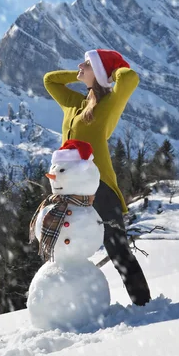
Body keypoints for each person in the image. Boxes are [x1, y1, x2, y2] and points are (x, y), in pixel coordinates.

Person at [43, 48, 151, 306]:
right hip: (68, 188)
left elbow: (130, 77)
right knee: (62, 249)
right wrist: (83, 74)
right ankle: (69, 308)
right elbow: (50, 80)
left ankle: (144, 304)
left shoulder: (109, 103)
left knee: (117, 249)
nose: (80, 64)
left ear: (101, 73)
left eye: (87, 63)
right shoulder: (73, 103)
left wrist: (107, 73)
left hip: (98, 186)